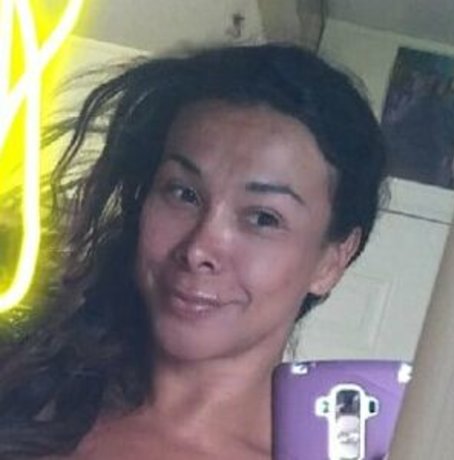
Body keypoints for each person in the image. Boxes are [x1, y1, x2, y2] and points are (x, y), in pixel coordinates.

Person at [0, 43, 386, 459]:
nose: (200, 247)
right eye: (183, 193)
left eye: (263, 218)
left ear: (332, 261)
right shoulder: (22, 385)